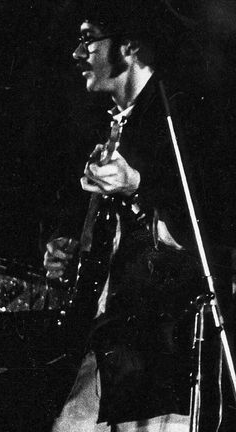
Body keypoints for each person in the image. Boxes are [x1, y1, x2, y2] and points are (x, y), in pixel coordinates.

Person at [44, 1, 208, 431]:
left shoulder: (180, 118)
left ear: (129, 46)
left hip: (160, 350)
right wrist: (72, 254)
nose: (78, 54)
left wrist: (138, 187)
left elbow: (208, 228)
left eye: (87, 39)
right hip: (110, 341)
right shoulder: (113, 126)